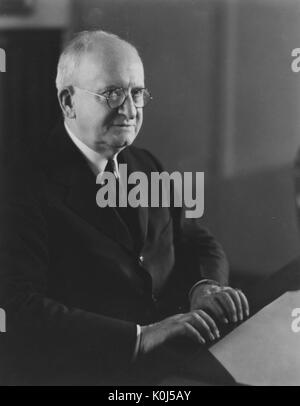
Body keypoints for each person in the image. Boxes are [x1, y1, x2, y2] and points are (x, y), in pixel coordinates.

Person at [0, 30, 249, 385]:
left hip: (169, 367)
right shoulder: (20, 185)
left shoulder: (147, 165)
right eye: (112, 93)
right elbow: (17, 308)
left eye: (137, 93)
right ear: (68, 101)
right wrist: (141, 336)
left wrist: (204, 286)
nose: (130, 110)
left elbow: (196, 240)